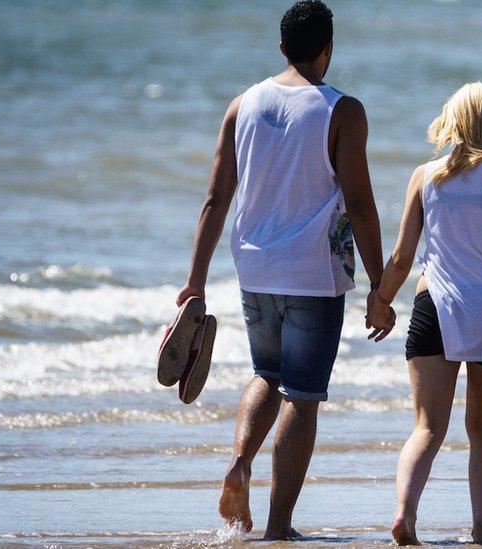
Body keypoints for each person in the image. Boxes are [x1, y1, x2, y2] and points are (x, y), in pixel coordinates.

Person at [176, 1, 393, 540]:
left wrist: (195, 281)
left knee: (265, 375)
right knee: (303, 394)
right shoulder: (343, 111)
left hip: (253, 268)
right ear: (329, 49)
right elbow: (363, 206)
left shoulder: (242, 105)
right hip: (313, 275)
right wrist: (380, 287)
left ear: (280, 48)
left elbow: (214, 199)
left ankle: (241, 463)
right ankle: (278, 528)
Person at [366, 82, 482, 545]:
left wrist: (380, 302)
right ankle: (481, 532)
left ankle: (404, 514)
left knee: (425, 426)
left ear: (452, 123)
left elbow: (402, 256)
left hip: (431, 306)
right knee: (481, 428)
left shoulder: (425, 176)